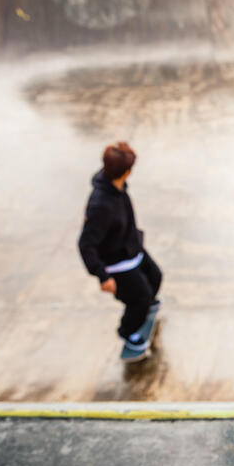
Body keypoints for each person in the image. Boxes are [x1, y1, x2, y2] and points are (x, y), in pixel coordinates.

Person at [78, 141, 162, 361]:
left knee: (156, 277)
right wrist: (102, 276)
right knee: (139, 299)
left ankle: (146, 306)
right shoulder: (100, 205)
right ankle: (127, 332)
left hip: (133, 249)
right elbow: (85, 244)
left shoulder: (117, 186)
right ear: (127, 171)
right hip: (118, 263)